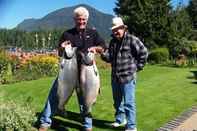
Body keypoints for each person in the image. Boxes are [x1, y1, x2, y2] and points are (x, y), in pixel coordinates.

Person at [38, 6, 105, 131]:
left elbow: (103, 47)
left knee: (85, 100)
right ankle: (45, 122)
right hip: (67, 72)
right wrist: (62, 47)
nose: (81, 22)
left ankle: (87, 126)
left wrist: (96, 48)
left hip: (86, 73)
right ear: (74, 19)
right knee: (53, 96)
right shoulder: (67, 33)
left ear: (87, 19)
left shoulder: (93, 33)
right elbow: (59, 52)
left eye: (83, 19)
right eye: (79, 19)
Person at [101, 17, 148, 131]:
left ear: (123, 28)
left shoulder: (132, 39)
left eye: (118, 29)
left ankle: (131, 126)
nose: (116, 31)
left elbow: (144, 52)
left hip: (128, 77)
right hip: (115, 77)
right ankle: (120, 119)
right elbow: (110, 58)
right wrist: (102, 53)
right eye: (114, 30)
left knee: (128, 103)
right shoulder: (113, 42)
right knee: (117, 102)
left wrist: (138, 67)